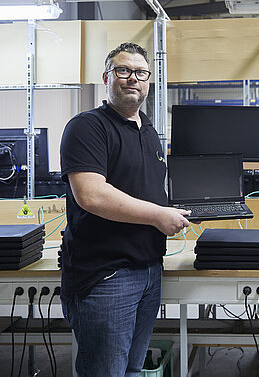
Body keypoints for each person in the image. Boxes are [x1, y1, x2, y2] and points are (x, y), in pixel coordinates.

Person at [60, 42, 190, 376]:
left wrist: (177, 209)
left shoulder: (148, 132)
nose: (133, 78)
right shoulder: (87, 127)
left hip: (149, 269)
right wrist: (159, 215)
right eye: (123, 70)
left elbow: (146, 191)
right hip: (107, 275)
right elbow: (91, 195)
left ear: (148, 81)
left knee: (133, 370)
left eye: (141, 73)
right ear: (107, 77)